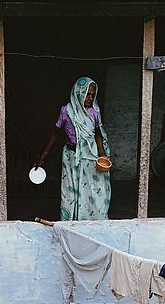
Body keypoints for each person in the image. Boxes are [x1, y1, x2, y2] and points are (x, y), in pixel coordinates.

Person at [34, 76, 111, 221]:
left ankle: (92, 220)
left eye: (92, 95)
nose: (89, 98)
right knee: (70, 190)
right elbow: (55, 133)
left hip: (90, 156)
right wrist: (44, 155)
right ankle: (71, 221)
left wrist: (102, 155)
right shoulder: (66, 111)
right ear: (78, 92)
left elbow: (98, 134)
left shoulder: (94, 112)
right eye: (87, 94)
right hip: (71, 156)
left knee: (93, 190)